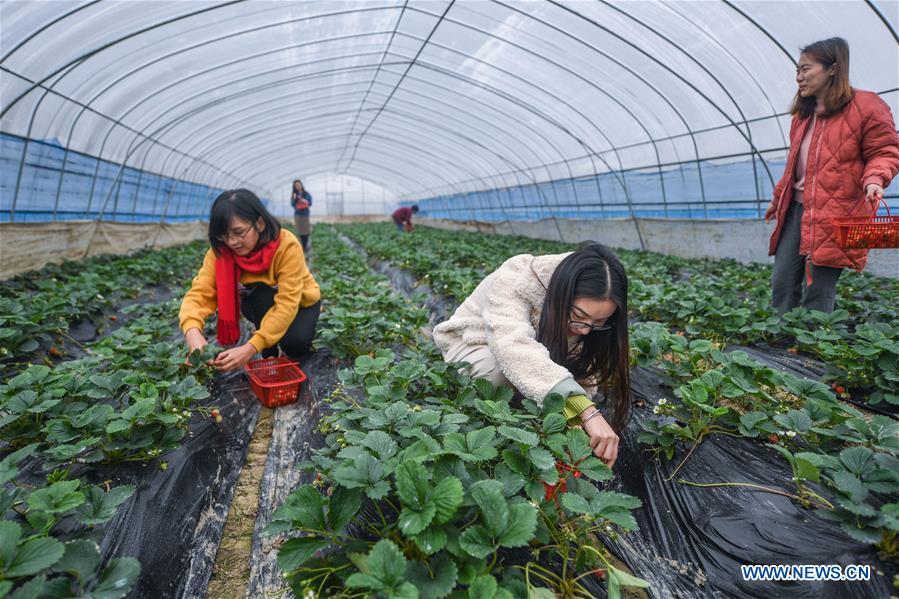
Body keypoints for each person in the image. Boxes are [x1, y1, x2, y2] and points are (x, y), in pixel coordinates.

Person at [433, 242, 630, 468]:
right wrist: (585, 411)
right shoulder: (518, 277)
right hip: (474, 343)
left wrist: (574, 425)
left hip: (533, 353)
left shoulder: (588, 319)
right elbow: (512, 346)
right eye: (578, 315)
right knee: (498, 376)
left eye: (598, 322)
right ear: (563, 294)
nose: (585, 330)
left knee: (560, 393)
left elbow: (579, 366)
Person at [765, 37, 899, 316]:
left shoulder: (867, 106)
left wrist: (874, 180)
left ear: (833, 69)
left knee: (819, 288)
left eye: (805, 69)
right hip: (797, 210)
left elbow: (885, 151)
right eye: (797, 70)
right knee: (782, 282)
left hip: (837, 212)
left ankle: (815, 341)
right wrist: (777, 200)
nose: (799, 77)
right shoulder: (802, 116)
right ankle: (783, 336)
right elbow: (794, 167)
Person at [179, 189, 321, 371]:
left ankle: (273, 340)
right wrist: (193, 333)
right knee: (260, 297)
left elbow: (287, 304)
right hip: (262, 302)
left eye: (238, 232)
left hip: (301, 303)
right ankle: (269, 352)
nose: (232, 242)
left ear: (259, 223)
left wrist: (250, 347)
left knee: (295, 344)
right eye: (224, 235)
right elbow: (199, 294)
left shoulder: (286, 245)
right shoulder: (220, 254)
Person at [291, 179, 313, 252]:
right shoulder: (294, 195)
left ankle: (304, 245)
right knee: (299, 230)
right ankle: (302, 246)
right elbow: (292, 204)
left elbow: (310, 203)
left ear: (301, 185)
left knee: (305, 230)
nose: (297, 186)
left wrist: (304, 201)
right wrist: (295, 199)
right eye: (296, 185)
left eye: (298, 184)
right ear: (294, 187)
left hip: (305, 214)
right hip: (298, 214)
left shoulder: (306, 194)